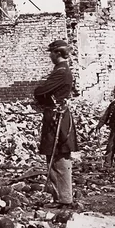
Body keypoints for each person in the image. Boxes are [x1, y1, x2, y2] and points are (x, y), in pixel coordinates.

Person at [32, 38, 78, 208]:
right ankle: (60, 197)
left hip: (57, 117)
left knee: (59, 156)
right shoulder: (61, 69)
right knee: (54, 155)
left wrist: (39, 92)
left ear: (57, 53)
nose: (50, 56)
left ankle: (64, 198)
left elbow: (41, 91)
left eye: (51, 52)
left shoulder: (61, 71)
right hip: (55, 115)